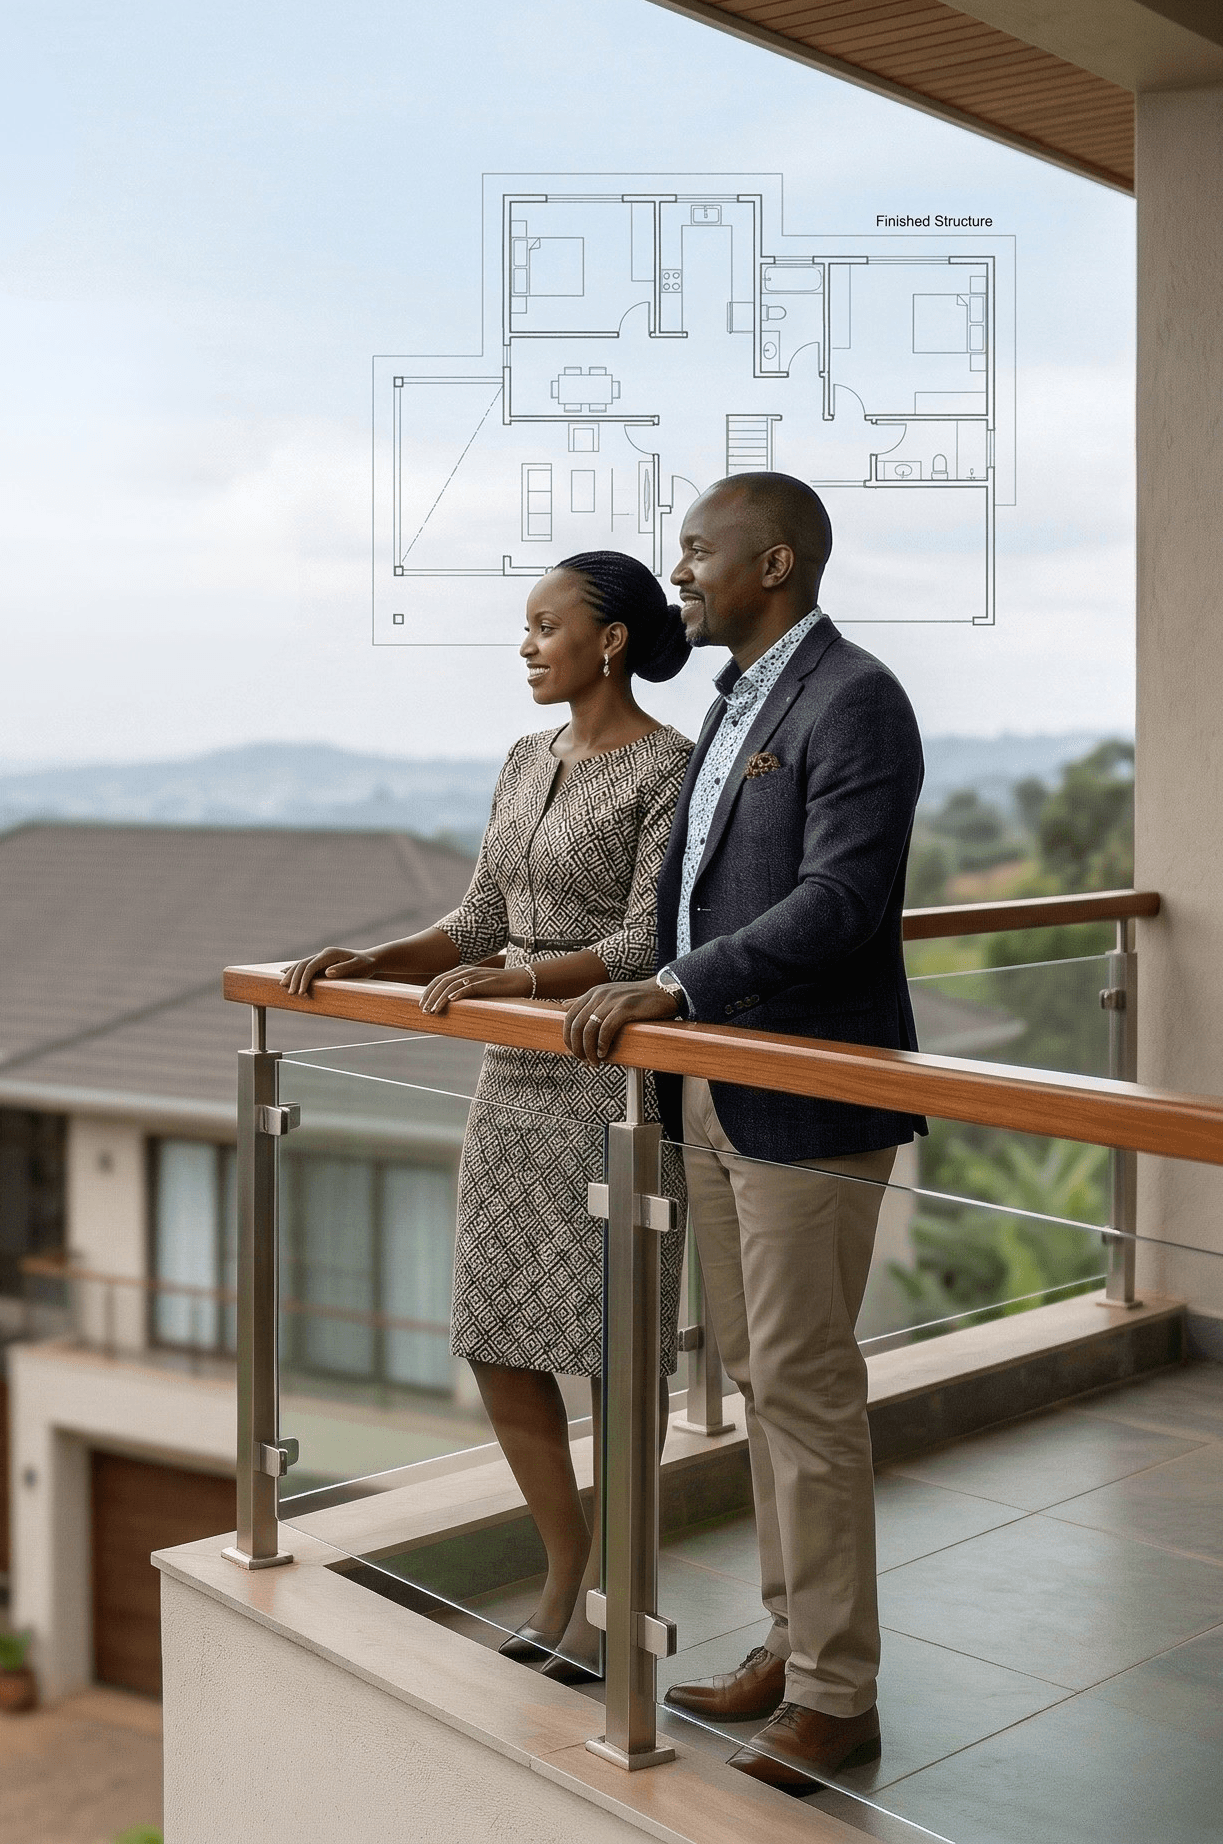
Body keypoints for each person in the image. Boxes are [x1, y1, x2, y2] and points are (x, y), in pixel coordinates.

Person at [562, 473, 924, 1794]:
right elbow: (697, 895)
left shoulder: (856, 698)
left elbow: (842, 897)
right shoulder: (732, 703)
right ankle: (791, 1644)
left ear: (773, 564)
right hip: (709, 1086)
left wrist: (679, 985)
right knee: (763, 1385)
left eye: (698, 556)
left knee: (808, 1392)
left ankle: (838, 1696)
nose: (681, 579)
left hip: (811, 1088)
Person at [285, 551, 692, 1683]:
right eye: (522, 625)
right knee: (498, 1339)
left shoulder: (670, 765)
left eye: (542, 623)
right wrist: (376, 956)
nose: (523, 643)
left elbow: (646, 942)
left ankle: (618, 1580)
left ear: (607, 638)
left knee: (613, 1347)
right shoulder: (523, 756)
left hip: (611, 1074)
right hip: (510, 1081)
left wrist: (516, 983)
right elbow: (475, 917)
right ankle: (562, 1566)